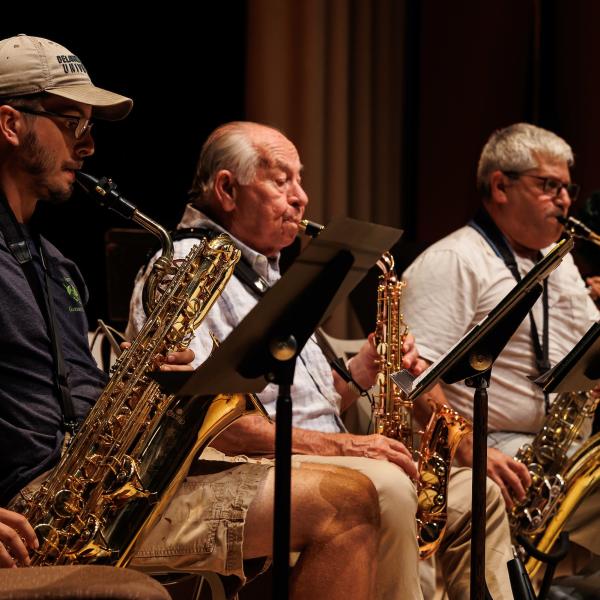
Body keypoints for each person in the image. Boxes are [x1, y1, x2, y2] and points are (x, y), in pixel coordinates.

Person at [0, 34, 383, 600]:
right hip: (28, 518)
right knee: (347, 504)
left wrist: (149, 385)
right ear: (10, 123)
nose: (88, 146)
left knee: (354, 498)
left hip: (102, 493)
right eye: (71, 122)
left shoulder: (57, 268)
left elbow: (76, 399)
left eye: (89, 127)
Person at [128, 120, 515, 599]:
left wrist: (363, 371)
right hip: (246, 467)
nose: (301, 197)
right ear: (228, 189)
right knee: (389, 486)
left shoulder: (268, 274)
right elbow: (212, 424)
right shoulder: (187, 272)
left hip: (312, 456)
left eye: (300, 179)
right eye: (280, 179)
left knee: (478, 496)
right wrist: (351, 448)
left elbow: (300, 398)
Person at [400, 123, 600, 590]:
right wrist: (468, 445)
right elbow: (404, 378)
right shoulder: (455, 260)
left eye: (567, 188)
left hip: (556, 445)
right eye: (548, 186)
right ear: (500, 186)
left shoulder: (558, 259)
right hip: (495, 449)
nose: (565, 200)